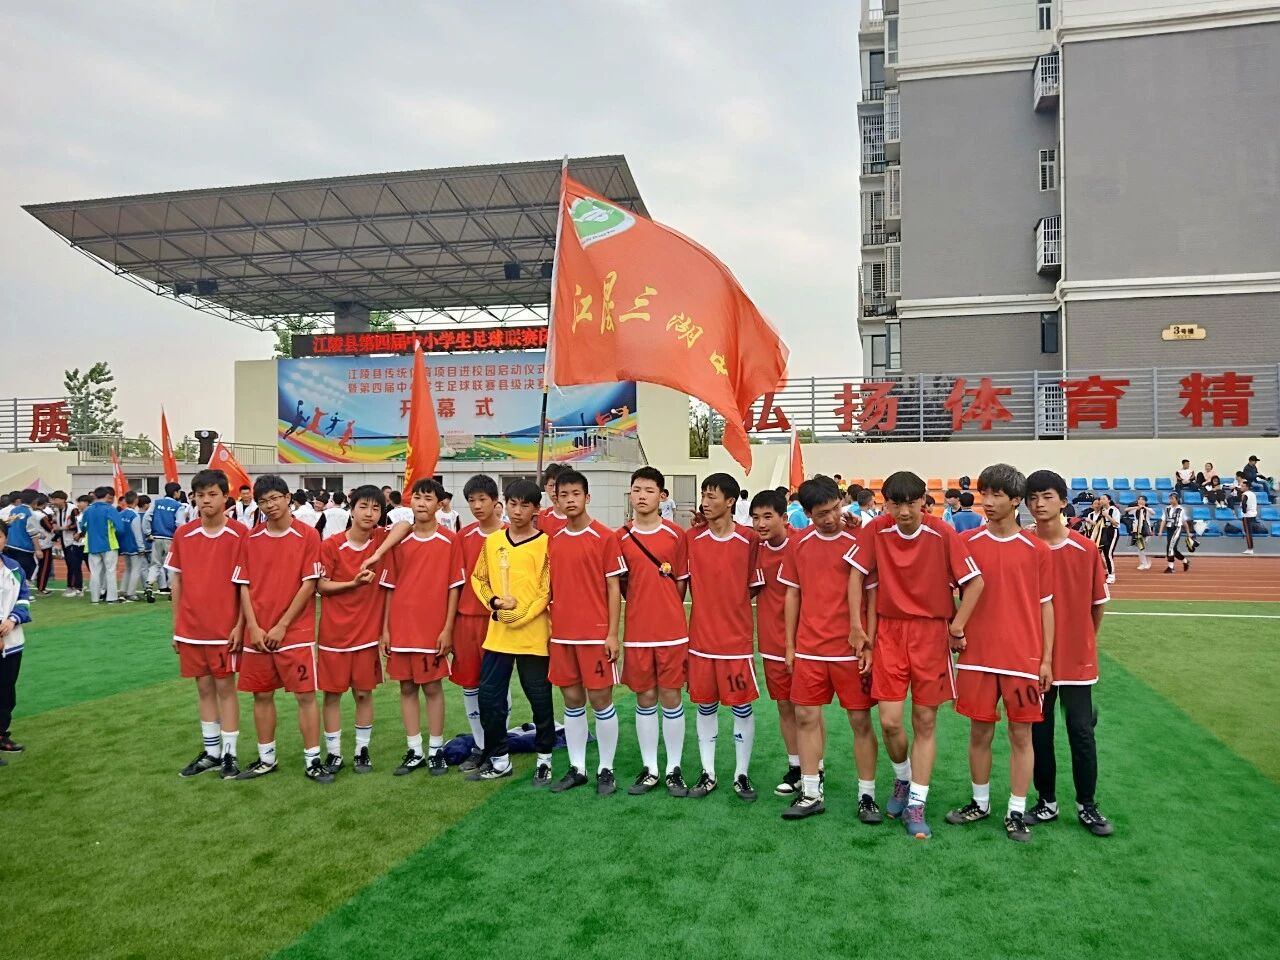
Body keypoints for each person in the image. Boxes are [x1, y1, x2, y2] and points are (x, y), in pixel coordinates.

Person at [846, 471, 984, 841]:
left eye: (911, 503)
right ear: (886, 503)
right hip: (889, 633)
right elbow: (856, 575)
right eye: (896, 504)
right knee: (890, 722)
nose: (904, 511)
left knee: (924, 720)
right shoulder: (876, 530)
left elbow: (975, 582)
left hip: (930, 634)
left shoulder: (942, 532)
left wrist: (957, 627)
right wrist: (857, 626)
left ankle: (917, 803)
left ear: (924, 501)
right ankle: (903, 778)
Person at [943, 464, 1053, 843]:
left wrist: (1046, 659)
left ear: (1016, 500)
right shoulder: (967, 542)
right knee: (979, 732)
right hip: (977, 656)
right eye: (984, 494)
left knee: (1021, 736)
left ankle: (1016, 811)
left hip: (1022, 659)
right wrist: (955, 628)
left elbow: (1046, 605)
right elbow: (947, 591)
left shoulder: (1037, 549)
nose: (988, 502)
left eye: (997, 495)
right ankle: (980, 802)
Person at [779, 477, 881, 823]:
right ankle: (810, 791)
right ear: (807, 513)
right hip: (810, 649)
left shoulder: (858, 540)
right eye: (821, 513)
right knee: (806, 717)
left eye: (835, 508)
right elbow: (793, 594)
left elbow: (871, 595)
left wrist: (869, 642)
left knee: (860, 721)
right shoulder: (799, 544)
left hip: (851, 650)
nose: (831, 518)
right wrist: (790, 645)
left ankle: (867, 796)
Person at [1023, 470, 1114, 837]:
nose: (1039, 504)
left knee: (1081, 732)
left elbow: (1097, 603)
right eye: (1032, 498)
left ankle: (1086, 805)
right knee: (1039, 732)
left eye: (1047, 496)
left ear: (1063, 501)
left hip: (1075, 659)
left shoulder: (1085, 549)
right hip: (1033, 658)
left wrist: (1084, 640)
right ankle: (1046, 802)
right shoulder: (1023, 546)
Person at [233, 475, 332, 784]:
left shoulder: (308, 535)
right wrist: (253, 626)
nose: (270, 505)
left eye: (275, 498)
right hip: (258, 633)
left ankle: (313, 761)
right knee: (261, 695)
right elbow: (244, 585)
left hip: (295, 632)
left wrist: (282, 626)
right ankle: (266, 758)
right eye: (263, 501)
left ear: (288, 498)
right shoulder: (250, 538)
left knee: (305, 696)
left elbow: (309, 584)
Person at [467, 479, 556, 784]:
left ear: (536, 509)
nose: (517, 511)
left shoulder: (546, 544)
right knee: (489, 698)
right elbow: (478, 578)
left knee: (539, 699)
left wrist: (520, 615)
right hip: (499, 635)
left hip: (532, 635)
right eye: (513, 504)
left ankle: (544, 758)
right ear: (504, 504)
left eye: (525, 505)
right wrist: (493, 602)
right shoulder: (493, 542)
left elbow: (545, 591)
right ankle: (499, 758)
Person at [544, 469, 626, 794]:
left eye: (575, 494)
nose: (569, 500)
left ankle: (606, 769)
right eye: (563, 495)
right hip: (563, 636)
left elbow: (614, 588)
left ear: (587, 497)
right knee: (572, 700)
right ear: (556, 500)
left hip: (595, 636)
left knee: (601, 699)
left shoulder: (605, 537)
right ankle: (577, 767)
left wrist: (612, 634)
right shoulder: (554, 539)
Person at [685, 473, 764, 801]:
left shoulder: (749, 539)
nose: (705, 501)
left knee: (741, 708)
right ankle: (708, 773)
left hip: (735, 642)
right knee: (705, 706)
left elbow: (753, 586)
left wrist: (731, 607)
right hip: (701, 641)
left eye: (712, 496)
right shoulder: (691, 538)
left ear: (730, 501)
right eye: (703, 495)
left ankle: (741, 775)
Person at [165, 469, 247, 779]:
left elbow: (246, 585)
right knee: (203, 687)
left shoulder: (240, 534)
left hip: (225, 628)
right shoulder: (183, 534)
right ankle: (211, 751)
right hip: (191, 629)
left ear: (226, 497)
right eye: (200, 495)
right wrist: (177, 627)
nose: (206, 500)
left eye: (212, 494)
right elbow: (177, 581)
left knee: (225, 687)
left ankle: (230, 754)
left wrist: (240, 625)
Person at [381, 478, 464, 776]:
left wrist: (447, 629)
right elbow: (389, 587)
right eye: (417, 497)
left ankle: (436, 749)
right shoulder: (399, 540)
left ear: (439, 504)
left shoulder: (450, 540)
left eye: (428, 498)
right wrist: (385, 630)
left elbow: (454, 587)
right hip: (401, 627)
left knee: (431, 687)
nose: (421, 503)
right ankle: (414, 749)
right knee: (406, 687)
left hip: (432, 629)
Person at [618, 467, 690, 796]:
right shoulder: (620, 538)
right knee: (645, 697)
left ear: (661, 496)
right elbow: (621, 585)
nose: (642, 496)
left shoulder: (676, 535)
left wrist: (665, 607)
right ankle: (650, 768)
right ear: (630, 494)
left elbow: (680, 584)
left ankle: (674, 769)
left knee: (671, 697)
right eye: (637, 489)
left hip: (672, 633)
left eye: (649, 490)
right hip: (637, 633)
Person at [316, 485, 393, 775]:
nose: (370, 513)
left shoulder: (380, 539)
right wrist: (353, 584)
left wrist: (377, 554)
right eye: (364, 506)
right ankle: (334, 754)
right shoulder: (332, 545)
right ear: (351, 509)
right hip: (333, 635)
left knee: (363, 694)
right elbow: (321, 586)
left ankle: (362, 751)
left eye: (376, 508)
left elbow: (404, 526)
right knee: (332, 695)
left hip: (366, 636)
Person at [750, 488, 804, 797]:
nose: (761, 524)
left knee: (806, 709)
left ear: (784, 518)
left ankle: (815, 769)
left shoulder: (802, 544)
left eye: (767, 517)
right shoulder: (755, 548)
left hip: (804, 641)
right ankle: (795, 767)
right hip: (771, 641)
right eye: (756, 517)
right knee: (784, 705)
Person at [0, 521, 32, 757]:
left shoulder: (13, 567)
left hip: (12, 642)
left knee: (6, 692)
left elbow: (23, 597)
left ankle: (1, 734)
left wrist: (12, 620)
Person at [80, 487, 124, 605]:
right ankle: (111, 598)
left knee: (95, 573)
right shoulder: (110, 509)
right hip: (109, 544)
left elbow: (82, 526)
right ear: (107, 496)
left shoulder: (88, 510)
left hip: (92, 545)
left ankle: (95, 598)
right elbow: (120, 528)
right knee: (110, 571)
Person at [145, 482, 188, 596]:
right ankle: (172, 589)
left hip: (156, 537)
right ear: (175, 492)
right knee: (171, 565)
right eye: (179, 492)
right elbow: (180, 524)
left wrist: (148, 532)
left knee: (155, 564)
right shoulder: (178, 506)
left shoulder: (156, 502)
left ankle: (149, 584)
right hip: (170, 538)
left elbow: (147, 517)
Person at [1, 491, 43, 584]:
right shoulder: (31, 514)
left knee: (12, 571)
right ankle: (23, 590)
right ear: (35, 500)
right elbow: (33, 533)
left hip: (10, 545)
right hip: (24, 547)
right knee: (27, 573)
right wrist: (38, 549)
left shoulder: (14, 510)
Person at [117, 491, 148, 602]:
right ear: (136, 500)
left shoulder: (121, 514)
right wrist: (141, 548)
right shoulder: (134, 515)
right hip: (133, 546)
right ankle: (131, 593)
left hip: (124, 545)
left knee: (128, 569)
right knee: (136, 569)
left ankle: (123, 590)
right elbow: (137, 533)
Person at [1088, 495, 1121, 584]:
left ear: (1109, 500)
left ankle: (1111, 575)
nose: (1101, 500)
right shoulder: (1101, 511)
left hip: (1112, 532)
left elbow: (1116, 524)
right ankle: (1106, 571)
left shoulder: (1113, 510)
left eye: (1103, 499)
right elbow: (1096, 523)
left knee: (1108, 554)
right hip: (1103, 532)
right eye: (1100, 499)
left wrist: (1107, 516)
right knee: (1104, 554)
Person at [63, 494, 89, 597]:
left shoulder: (90, 514)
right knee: (75, 566)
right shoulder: (78, 515)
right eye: (77, 502)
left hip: (86, 544)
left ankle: (101, 588)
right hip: (77, 544)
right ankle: (79, 589)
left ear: (86, 503)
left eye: (80, 502)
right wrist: (76, 534)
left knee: (92, 567)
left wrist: (80, 534)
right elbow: (78, 527)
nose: (78, 504)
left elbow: (88, 527)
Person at [1158, 493, 1191, 574]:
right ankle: (1185, 561)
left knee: (1170, 547)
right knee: (1172, 548)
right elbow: (1163, 520)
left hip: (1177, 529)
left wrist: (1188, 532)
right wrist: (1160, 531)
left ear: (1177, 499)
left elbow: (1184, 522)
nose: (1170, 500)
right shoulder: (1167, 508)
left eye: (1172, 498)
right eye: (1170, 498)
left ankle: (1171, 567)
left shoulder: (1181, 509)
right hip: (1169, 529)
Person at [536, 463, 569, 535]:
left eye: (558, 485)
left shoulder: (579, 519)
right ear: (545, 488)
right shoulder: (538, 518)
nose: (554, 490)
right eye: (551, 485)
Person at [1128, 495, 1154, 570]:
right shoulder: (1135, 509)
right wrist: (1136, 507)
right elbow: (1127, 510)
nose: (1140, 501)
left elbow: (1153, 513)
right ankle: (1144, 563)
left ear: (1145, 501)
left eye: (1142, 500)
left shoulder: (1148, 509)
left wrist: (1144, 507)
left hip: (1146, 529)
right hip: (1137, 529)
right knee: (1140, 547)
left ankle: (1147, 562)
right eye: (1139, 499)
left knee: (1143, 546)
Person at [1236, 476, 1260, 556]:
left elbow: (1244, 504)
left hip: (1247, 516)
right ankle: (1250, 548)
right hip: (1253, 514)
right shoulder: (1253, 494)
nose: (1241, 487)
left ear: (1247, 487)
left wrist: (1244, 512)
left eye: (1243, 486)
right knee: (1249, 532)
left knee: (1248, 532)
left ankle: (1250, 548)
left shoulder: (1245, 494)